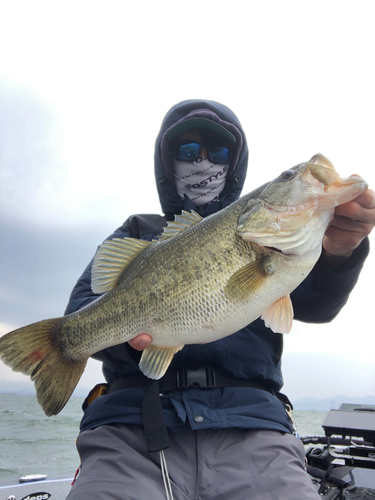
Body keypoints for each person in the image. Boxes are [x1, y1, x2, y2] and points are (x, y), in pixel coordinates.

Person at [65, 99, 375, 500]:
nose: (204, 162)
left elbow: (318, 307)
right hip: (135, 427)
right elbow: (81, 317)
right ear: (167, 163)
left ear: (236, 164)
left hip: (253, 427)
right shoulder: (138, 231)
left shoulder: (283, 244)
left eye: (219, 152)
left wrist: (341, 252)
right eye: (189, 152)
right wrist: (131, 340)